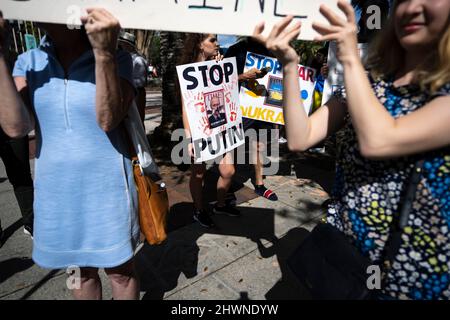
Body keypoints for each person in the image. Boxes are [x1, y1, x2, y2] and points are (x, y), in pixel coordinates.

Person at [253, 0, 450, 299]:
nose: (412, 7)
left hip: (408, 276)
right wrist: (289, 65)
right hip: (344, 256)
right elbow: (299, 137)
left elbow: (380, 139)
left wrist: (348, 53)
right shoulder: (370, 80)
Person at [0, 8, 140, 300]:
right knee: (80, 273)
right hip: (58, 195)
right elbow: (15, 127)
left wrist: (104, 54)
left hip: (109, 192)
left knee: (121, 273)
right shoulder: (28, 63)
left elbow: (108, 119)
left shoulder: (120, 58)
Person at [180, 33, 240, 228]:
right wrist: (189, 139)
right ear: (199, 44)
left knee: (228, 170)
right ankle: (199, 210)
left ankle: (221, 205)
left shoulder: (219, 66)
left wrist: (221, 69)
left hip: (221, 126)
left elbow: (228, 93)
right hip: (199, 129)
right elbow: (186, 108)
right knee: (198, 174)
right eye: (212, 40)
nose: (217, 43)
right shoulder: (189, 72)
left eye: (217, 40)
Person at [225, 37, 278, 201]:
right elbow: (222, 79)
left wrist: (276, 117)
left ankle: (260, 185)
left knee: (259, 145)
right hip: (238, 106)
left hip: (262, 107)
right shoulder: (235, 50)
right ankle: (227, 184)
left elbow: (278, 80)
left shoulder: (271, 50)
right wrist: (244, 76)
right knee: (233, 145)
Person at [118, 31, 148, 123]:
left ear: (129, 45)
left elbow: (141, 82)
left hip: (136, 94)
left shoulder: (138, 60)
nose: (120, 46)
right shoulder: (125, 58)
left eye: (122, 44)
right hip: (129, 92)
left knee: (136, 121)